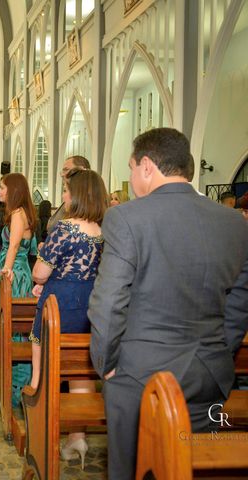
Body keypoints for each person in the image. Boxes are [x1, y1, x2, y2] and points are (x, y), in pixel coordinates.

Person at [88, 128, 248, 479]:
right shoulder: (234, 223)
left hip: (140, 376)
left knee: (131, 469)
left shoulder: (128, 218)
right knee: (195, 466)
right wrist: (220, 348)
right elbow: (240, 298)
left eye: (131, 168)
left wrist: (106, 364)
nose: (130, 179)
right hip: (209, 374)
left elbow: (109, 300)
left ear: (147, 166)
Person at [29, 169, 108, 469]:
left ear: (78, 195)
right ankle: (78, 437)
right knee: (81, 371)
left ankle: (41, 433)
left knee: (44, 370)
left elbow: (40, 273)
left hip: (59, 303)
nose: (63, 196)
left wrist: (42, 263)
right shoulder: (102, 230)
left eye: (66, 190)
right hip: (91, 302)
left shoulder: (65, 228)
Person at [0, 173, 37, 405]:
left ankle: (9, 388)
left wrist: (5, 272)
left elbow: (13, 246)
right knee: (11, 327)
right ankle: (4, 384)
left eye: (2, 188)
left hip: (13, 275)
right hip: (20, 272)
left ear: (13, 190)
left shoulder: (17, 214)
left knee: (3, 325)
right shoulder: (23, 213)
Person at [48, 155, 90, 231]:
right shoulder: (68, 199)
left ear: (80, 170)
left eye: (66, 170)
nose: (62, 174)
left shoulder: (86, 203)